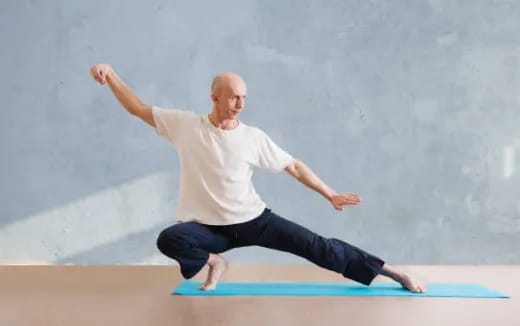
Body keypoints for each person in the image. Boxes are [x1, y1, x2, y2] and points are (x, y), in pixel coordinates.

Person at [90, 64, 427, 293]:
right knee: (170, 239)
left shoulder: (252, 137)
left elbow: (293, 166)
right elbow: (137, 108)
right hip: (209, 230)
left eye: (244, 98)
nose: (240, 104)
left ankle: (392, 272)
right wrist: (112, 75)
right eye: (234, 97)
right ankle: (215, 261)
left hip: (254, 220)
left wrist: (329, 193)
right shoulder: (185, 126)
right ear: (215, 98)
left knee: (319, 248)